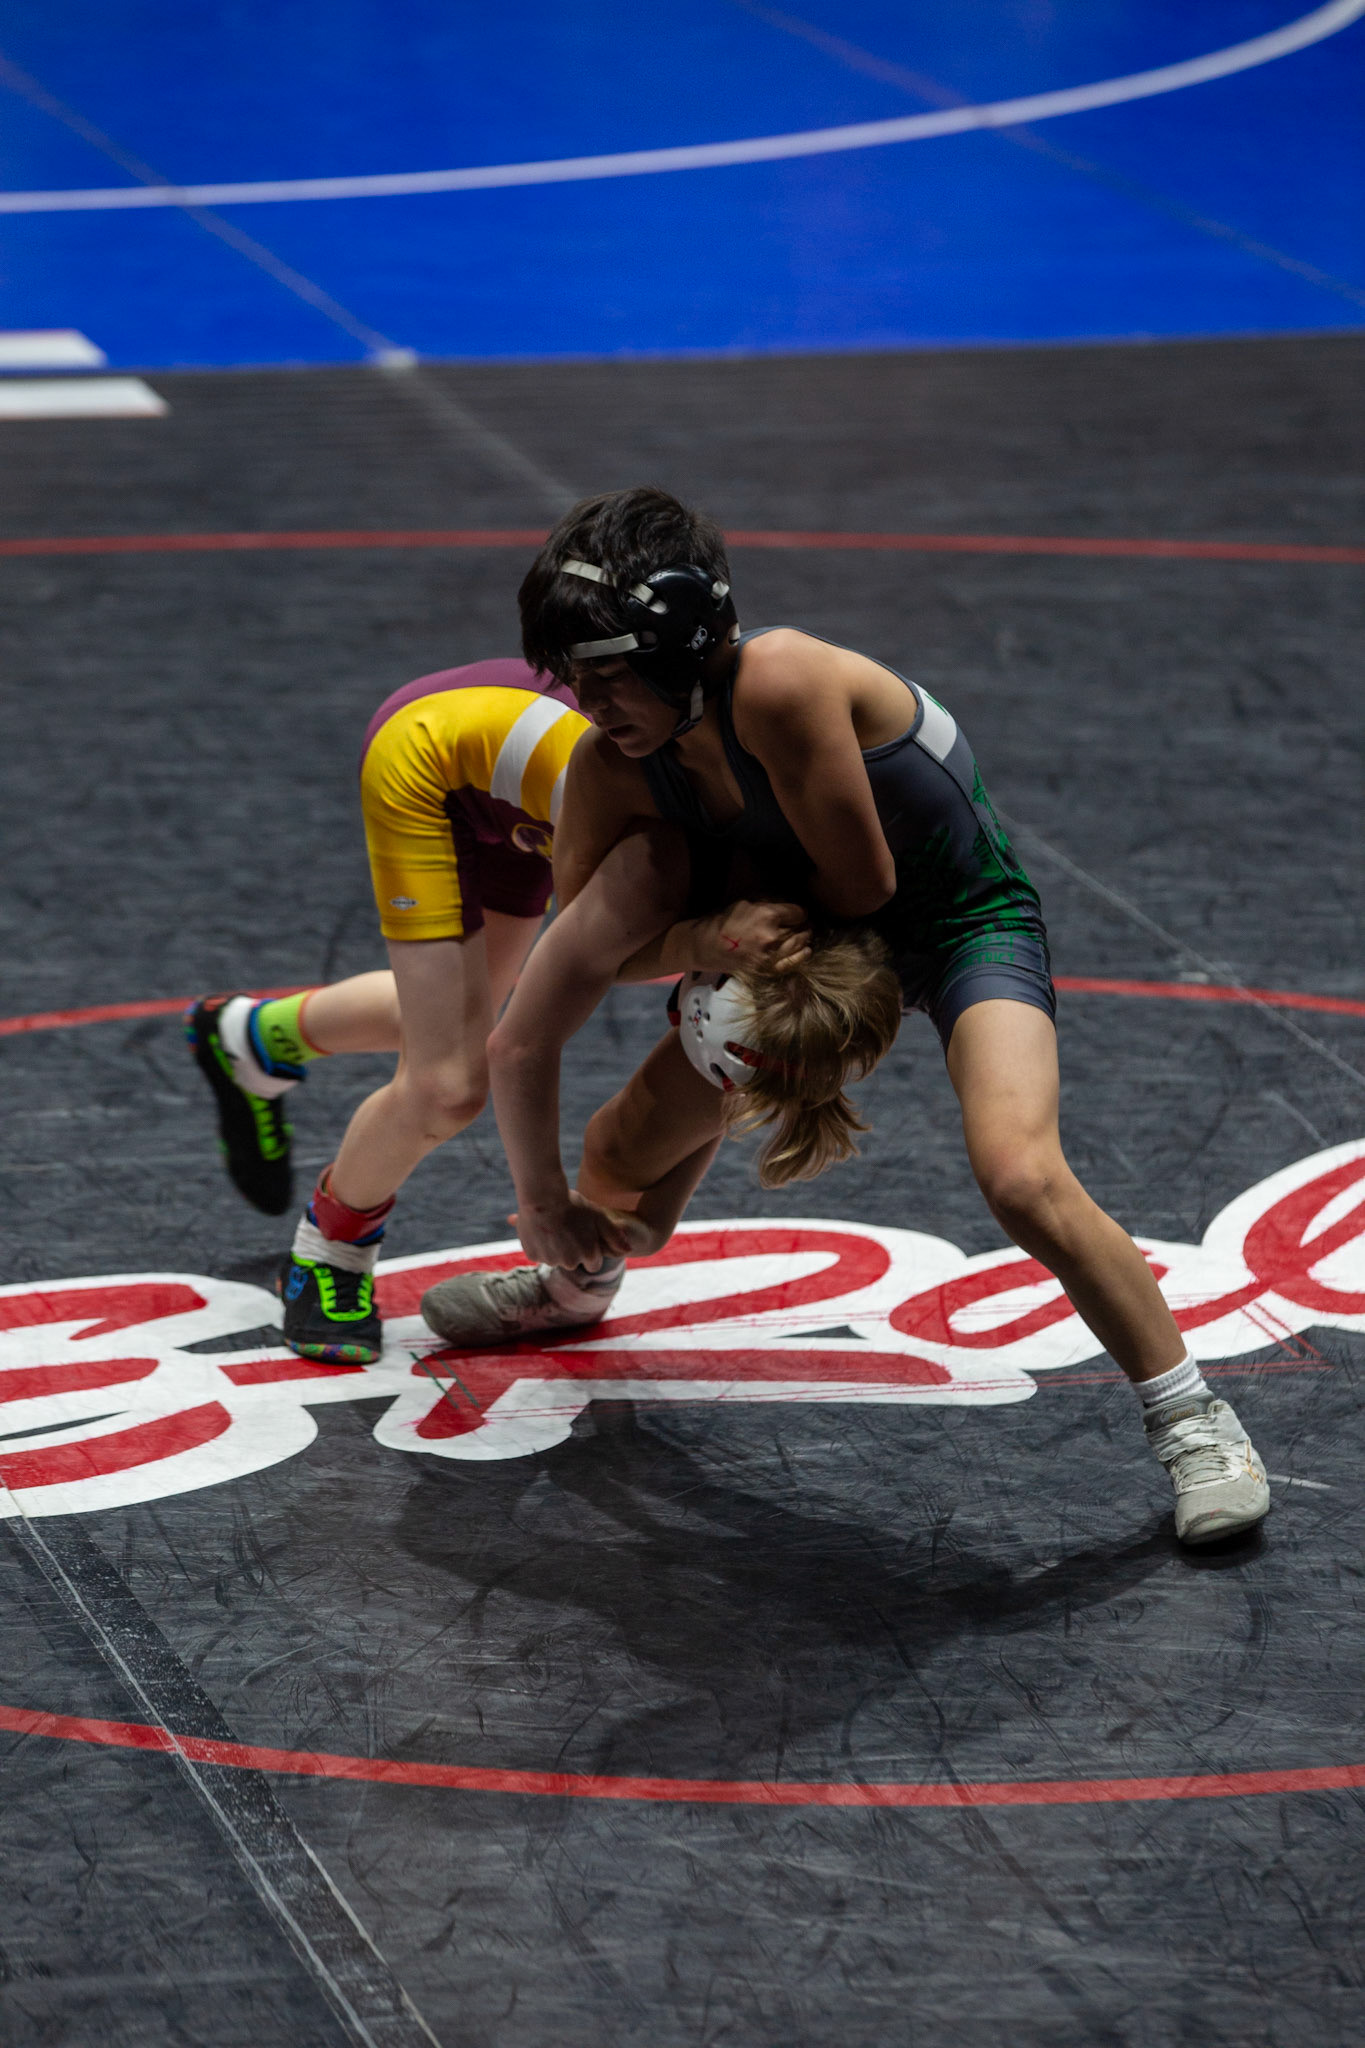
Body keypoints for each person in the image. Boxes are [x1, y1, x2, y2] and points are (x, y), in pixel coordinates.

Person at [421, 487, 1271, 1548]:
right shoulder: (609, 770)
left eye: (608, 672)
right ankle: (579, 1282)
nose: (585, 701)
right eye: (568, 674)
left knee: (1019, 1173)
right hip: (798, 929)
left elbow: (865, 886)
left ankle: (1193, 1418)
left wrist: (730, 949)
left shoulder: (780, 680)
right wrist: (700, 942)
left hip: (949, 922)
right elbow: (584, 961)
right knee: (617, 1155)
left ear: (688, 646)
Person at [186, 657, 590, 1363]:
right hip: (431, 754)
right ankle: (329, 1252)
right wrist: (548, 1201)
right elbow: (529, 1041)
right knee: (448, 1083)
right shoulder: (643, 834)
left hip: (529, 776)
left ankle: (252, 1037)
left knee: (459, 1012)